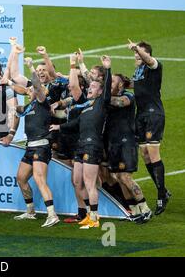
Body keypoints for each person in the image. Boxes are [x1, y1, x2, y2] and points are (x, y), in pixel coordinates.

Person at [50, 55, 112, 229]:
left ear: (100, 92)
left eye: (93, 86)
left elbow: (106, 89)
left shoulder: (101, 103)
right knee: (77, 181)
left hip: (93, 146)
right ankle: (87, 213)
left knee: (89, 182)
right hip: (80, 146)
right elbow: (75, 124)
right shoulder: (86, 106)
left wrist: (107, 68)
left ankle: (94, 218)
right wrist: (58, 127)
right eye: (90, 86)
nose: (90, 88)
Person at [12, 66, 60, 228]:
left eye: (32, 89)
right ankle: (30, 211)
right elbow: (14, 107)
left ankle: (52, 215)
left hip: (41, 147)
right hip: (30, 148)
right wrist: (4, 84)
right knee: (21, 178)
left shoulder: (42, 102)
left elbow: (38, 88)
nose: (30, 91)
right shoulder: (28, 107)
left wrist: (32, 68)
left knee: (40, 180)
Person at [128, 39, 169, 215]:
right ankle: (163, 190)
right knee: (145, 154)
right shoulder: (138, 70)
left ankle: (161, 194)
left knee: (153, 154)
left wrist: (136, 48)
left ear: (147, 54)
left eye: (139, 52)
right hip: (141, 115)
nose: (136, 55)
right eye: (136, 53)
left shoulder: (154, 65)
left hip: (154, 114)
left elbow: (149, 59)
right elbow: (134, 85)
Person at [107, 73, 152, 223]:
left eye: (112, 81)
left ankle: (145, 209)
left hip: (126, 142)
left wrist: (102, 97)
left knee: (125, 176)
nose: (109, 83)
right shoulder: (106, 98)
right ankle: (134, 211)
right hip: (113, 143)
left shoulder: (128, 96)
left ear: (120, 85)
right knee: (118, 177)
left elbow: (120, 103)